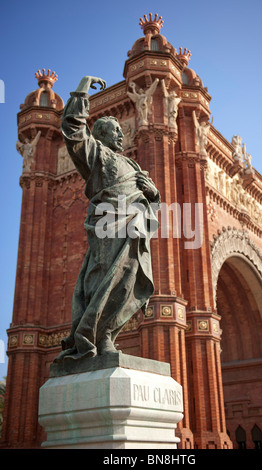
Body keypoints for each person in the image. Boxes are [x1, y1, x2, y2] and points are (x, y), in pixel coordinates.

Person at [54, 76, 160, 362]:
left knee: (127, 281)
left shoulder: (132, 163)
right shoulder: (97, 154)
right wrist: (82, 89)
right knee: (102, 279)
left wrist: (153, 194)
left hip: (132, 229)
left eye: (119, 130)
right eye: (114, 130)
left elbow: (150, 202)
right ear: (99, 135)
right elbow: (73, 130)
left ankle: (108, 336)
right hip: (107, 224)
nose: (120, 134)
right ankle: (92, 336)